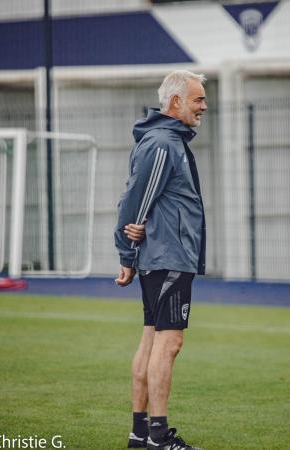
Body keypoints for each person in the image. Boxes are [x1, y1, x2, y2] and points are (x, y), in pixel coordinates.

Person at [114, 70, 207, 450]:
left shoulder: (163, 141)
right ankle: (158, 437)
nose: (203, 106)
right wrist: (126, 250)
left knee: (151, 341)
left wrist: (133, 247)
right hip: (168, 257)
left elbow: (144, 202)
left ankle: (139, 435)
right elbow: (134, 200)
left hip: (163, 255)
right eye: (198, 99)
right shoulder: (164, 144)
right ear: (175, 103)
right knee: (169, 345)